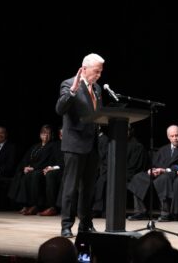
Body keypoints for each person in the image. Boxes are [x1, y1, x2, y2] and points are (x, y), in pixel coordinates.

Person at [55, 53, 104, 238]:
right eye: (96, 71)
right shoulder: (69, 84)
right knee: (71, 188)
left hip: (93, 145)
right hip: (75, 145)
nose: (98, 75)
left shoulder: (97, 88)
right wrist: (73, 91)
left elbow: (97, 115)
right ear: (84, 69)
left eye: (100, 72)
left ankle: (86, 224)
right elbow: (60, 109)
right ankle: (66, 225)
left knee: (88, 189)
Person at [127, 125, 178, 222]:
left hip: (173, 174)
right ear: (168, 137)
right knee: (138, 177)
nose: (175, 138)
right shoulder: (163, 149)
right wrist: (152, 170)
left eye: (176, 135)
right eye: (172, 136)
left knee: (164, 179)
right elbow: (154, 163)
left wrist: (164, 170)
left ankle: (165, 213)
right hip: (158, 173)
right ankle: (140, 211)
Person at [92, 124, 147, 217]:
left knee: (110, 181)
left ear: (131, 131)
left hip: (130, 176)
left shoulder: (137, 146)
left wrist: (118, 175)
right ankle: (100, 209)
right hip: (117, 174)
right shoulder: (116, 144)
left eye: (127, 130)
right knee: (102, 179)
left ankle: (138, 211)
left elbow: (134, 167)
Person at [8, 124, 56, 215]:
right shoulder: (35, 146)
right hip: (32, 169)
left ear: (51, 135)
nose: (45, 135)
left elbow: (49, 161)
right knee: (21, 174)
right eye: (44, 133)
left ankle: (35, 205)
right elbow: (26, 159)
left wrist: (34, 168)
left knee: (34, 175)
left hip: (41, 170)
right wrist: (25, 167)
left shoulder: (53, 146)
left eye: (48, 133)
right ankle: (25, 205)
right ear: (40, 134)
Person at [39, 126, 64, 216]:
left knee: (51, 174)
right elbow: (52, 159)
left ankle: (54, 207)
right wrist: (49, 167)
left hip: (67, 170)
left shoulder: (73, 145)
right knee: (48, 174)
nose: (62, 136)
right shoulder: (56, 145)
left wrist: (54, 168)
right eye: (61, 134)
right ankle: (50, 207)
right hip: (58, 169)